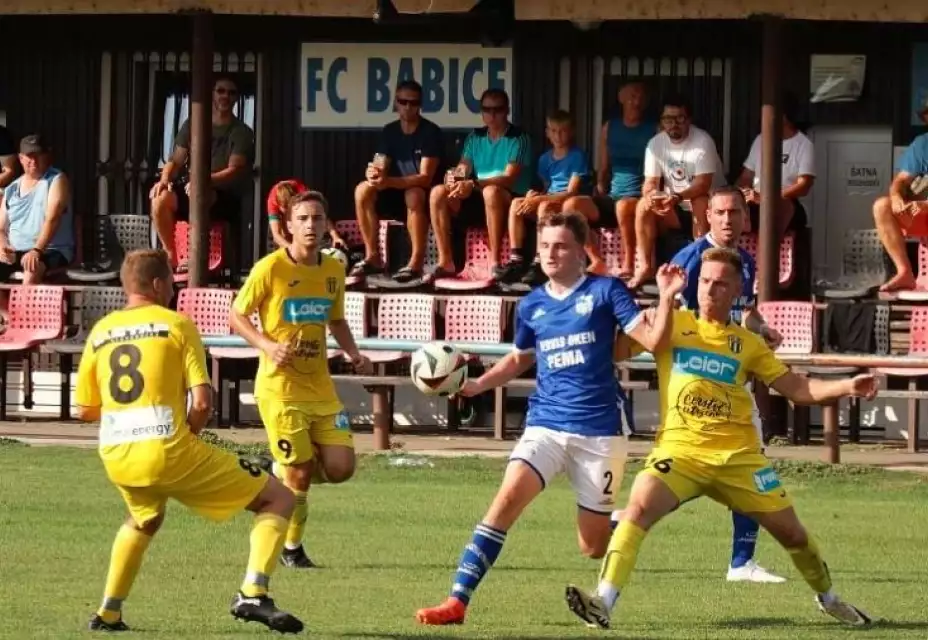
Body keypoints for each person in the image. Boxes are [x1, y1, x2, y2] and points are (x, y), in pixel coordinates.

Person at [565, 246, 876, 631]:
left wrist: (848, 385)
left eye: (720, 284)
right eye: (705, 281)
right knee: (638, 509)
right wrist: (654, 302)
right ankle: (603, 602)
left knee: (793, 535)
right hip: (680, 453)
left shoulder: (749, 344)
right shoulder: (670, 322)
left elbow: (797, 389)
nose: (710, 290)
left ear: (736, 291)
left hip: (738, 459)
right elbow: (612, 351)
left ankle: (829, 599)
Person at [414, 210, 686, 626]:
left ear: (581, 252)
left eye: (560, 246)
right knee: (505, 501)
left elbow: (653, 340)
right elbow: (519, 358)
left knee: (592, 547)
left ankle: (627, 521)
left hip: (600, 430)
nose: (550, 253)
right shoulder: (532, 305)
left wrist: (665, 298)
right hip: (546, 423)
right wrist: (478, 384)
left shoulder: (606, 290)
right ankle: (457, 602)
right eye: (544, 246)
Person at [75, 249, 303, 634]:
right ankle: (253, 593)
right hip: (169, 450)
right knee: (279, 497)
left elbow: (84, 409)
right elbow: (201, 402)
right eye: (171, 281)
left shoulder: (101, 331)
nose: (173, 288)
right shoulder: (177, 325)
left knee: (144, 519)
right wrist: (188, 435)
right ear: (159, 284)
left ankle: (108, 613)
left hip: (117, 455)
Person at [231, 190, 373, 570]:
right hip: (280, 389)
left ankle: (280, 466)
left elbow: (336, 320)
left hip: (320, 388)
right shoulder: (270, 268)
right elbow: (237, 314)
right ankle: (292, 549)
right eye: (303, 219)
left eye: (317, 218)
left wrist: (353, 353)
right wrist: (266, 345)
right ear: (289, 226)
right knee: (301, 472)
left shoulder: (333, 270)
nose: (311, 225)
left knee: (341, 468)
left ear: (326, 225)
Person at [669, 186, 785, 583]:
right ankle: (625, 517)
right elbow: (669, 314)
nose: (727, 219)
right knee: (702, 469)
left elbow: (743, 312)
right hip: (698, 382)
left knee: (741, 464)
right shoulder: (690, 259)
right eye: (720, 212)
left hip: (731, 380)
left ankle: (742, 561)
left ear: (745, 217)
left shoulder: (744, 261)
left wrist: (762, 329)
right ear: (707, 216)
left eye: (734, 212)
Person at [149, 76, 255, 271]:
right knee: (159, 200)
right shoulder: (193, 124)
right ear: (212, 94)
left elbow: (235, 169)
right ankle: (172, 255)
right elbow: (176, 160)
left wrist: (203, 181)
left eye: (231, 93)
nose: (225, 96)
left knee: (200, 195)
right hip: (192, 187)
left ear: (236, 98)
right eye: (221, 91)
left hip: (223, 195)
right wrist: (164, 180)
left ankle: (196, 257)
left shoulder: (241, 131)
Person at [429, 88, 532, 280]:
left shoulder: (519, 138)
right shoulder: (475, 137)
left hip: (510, 201)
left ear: (507, 110)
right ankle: (446, 262)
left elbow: (509, 178)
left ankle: (495, 264)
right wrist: (453, 177)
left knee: (491, 192)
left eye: (497, 109)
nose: (492, 115)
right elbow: (463, 168)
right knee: (438, 193)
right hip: (478, 197)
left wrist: (474, 184)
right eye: (487, 109)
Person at [497, 109, 604, 286]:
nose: (558, 136)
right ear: (547, 133)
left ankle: (540, 260)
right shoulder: (544, 159)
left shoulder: (577, 156)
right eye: (553, 131)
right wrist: (534, 195)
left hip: (570, 203)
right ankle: (516, 259)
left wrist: (541, 200)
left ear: (571, 132)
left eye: (562, 131)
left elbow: (572, 192)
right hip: (550, 200)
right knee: (517, 203)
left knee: (543, 206)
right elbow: (546, 188)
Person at [351, 80, 443, 283]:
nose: (408, 107)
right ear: (396, 103)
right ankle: (372, 257)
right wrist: (373, 174)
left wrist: (388, 181)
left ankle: (416, 263)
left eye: (413, 102)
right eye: (403, 102)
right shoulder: (389, 131)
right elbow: (380, 162)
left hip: (423, 196)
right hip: (393, 191)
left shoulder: (430, 132)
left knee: (414, 194)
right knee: (362, 190)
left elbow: (425, 178)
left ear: (420, 105)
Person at [628, 93, 724, 289]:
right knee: (643, 205)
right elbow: (650, 182)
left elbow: (703, 184)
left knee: (699, 200)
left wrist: (677, 196)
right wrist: (652, 195)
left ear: (688, 119)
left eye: (679, 118)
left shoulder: (703, 141)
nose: (673, 125)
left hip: (707, 207)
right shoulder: (656, 143)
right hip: (674, 207)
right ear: (662, 121)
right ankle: (645, 266)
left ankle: (701, 265)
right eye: (668, 119)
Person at [596, 81, 657, 279]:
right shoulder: (609, 127)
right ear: (621, 98)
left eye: (640, 98)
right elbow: (604, 163)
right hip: (613, 192)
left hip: (639, 194)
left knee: (623, 207)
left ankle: (629, 262)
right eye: (632, 96)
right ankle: (593, 261)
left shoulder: (653, 129)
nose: (636, 102)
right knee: (573, 206)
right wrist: (600, 184)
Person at [736, 94, 815, 241]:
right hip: (755, 199)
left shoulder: (804, 144)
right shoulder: (760, 139)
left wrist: (767, 198)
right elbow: (746, 175)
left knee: (782, 206)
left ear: (782, 116)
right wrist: (743, 191)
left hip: (786, 201)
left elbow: (804, 185)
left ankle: (766, 252)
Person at [0, 134, 74, 284]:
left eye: (38, 156)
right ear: (21, 158)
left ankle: (26, 301)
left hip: (49, 250)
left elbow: (53, 218)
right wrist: (2, 246)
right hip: (15, 252)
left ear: (47, 156)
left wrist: (37, 250)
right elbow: (1, 228)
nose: (33, 161)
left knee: (31, 270)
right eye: (29, 156)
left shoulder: (57, 179)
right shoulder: (11, 189)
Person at [872, 101, 928, 292]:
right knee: (882, 206)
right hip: (921, 214)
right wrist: (896, 197)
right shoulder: (922, 144)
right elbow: (901, 180)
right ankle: (905, 272)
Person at [266, 178, 346, 251]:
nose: (288, 211)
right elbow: (276, 235)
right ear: (279, 205)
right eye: (285, 208)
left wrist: (335, 237)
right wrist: (294, 250)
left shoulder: (302, 192)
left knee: (312, 215)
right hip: (281, 220)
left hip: (300, 203)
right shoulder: (272, 201)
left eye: (289, 208)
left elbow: (321, 216)